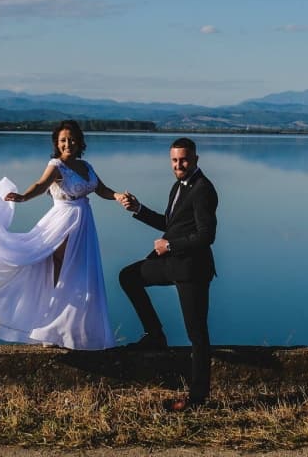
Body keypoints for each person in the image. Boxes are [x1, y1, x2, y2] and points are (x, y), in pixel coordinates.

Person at [0, 120, 131, 350]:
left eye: (72, 139)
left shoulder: (86, 166)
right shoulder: (56, 165)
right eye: (63, 140)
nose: (68, 144)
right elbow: (41, 184)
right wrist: (24, 197)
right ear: (57, 143)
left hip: (84, 224)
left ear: (80, 141)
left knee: (82, 275)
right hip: (62, 222)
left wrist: (117, 196)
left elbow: (101, 189)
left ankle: (75, 332)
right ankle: (51, 329)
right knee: (63, 273)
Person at [118, 137, 218, 412]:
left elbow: (206, 236)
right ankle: (155, 335)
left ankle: (197, 397)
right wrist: (138, 209)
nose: (179, 165)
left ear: (196, 159)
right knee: (129, 277)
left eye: (184, 159)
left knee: (196, 333)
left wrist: (170, 245)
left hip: (192, 271)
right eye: (174, 160)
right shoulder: (178, 186)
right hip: (172, 263)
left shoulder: (203, 190)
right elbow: (170, 224)